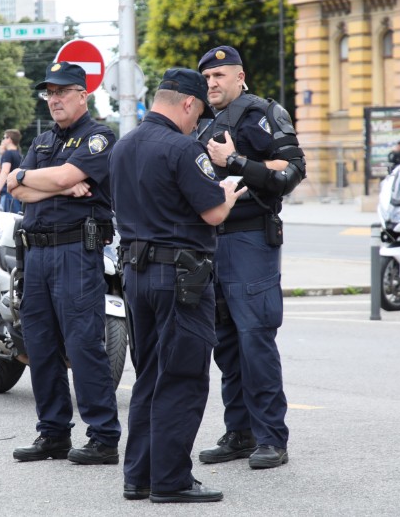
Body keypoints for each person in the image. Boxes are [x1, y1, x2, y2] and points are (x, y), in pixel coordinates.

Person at [111, 68, 245, 503]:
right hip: (180, 278)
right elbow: (212, 214)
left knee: (148, 375)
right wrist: (226, 193)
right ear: (187, 103)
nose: (196, 123)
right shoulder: (183, 149)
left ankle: (140, 476)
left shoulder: (122, 146)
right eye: (197, 113)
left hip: (135, 274)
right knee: (183, 377)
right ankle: (170, 480)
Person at [196, 45, 306, 469]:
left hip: (250, 240)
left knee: (255, 339)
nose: (212, 84)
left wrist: (236, 161)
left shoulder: (263, 112)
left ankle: (271, 438)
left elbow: (292, 171)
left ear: (239, 76)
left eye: (219, 76)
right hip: (212, 241)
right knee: (225, 344)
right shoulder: (203, 122)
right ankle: (239, 433)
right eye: (207, 79)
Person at [7, 62, 120, 465]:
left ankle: (104, 437)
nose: (53, 99)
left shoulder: (98, 137)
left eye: (61, 92)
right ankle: (53, 433)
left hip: (75, 252)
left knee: (83, 344)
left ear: (82, 95)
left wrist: (43, 180)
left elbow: (46, 182)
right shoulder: (41, 143)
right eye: (48, 94)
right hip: (36, 253)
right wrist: (38, 178)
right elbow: (15, 188)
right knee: (40, 345)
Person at [0, 129, 23, 213]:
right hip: (16, 191)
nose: (2, 140)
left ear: (9, 139)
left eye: (4, 138)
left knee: (6, 219)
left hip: (8, 192)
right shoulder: (18, 154)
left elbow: (5, 172)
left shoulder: (8, 153)